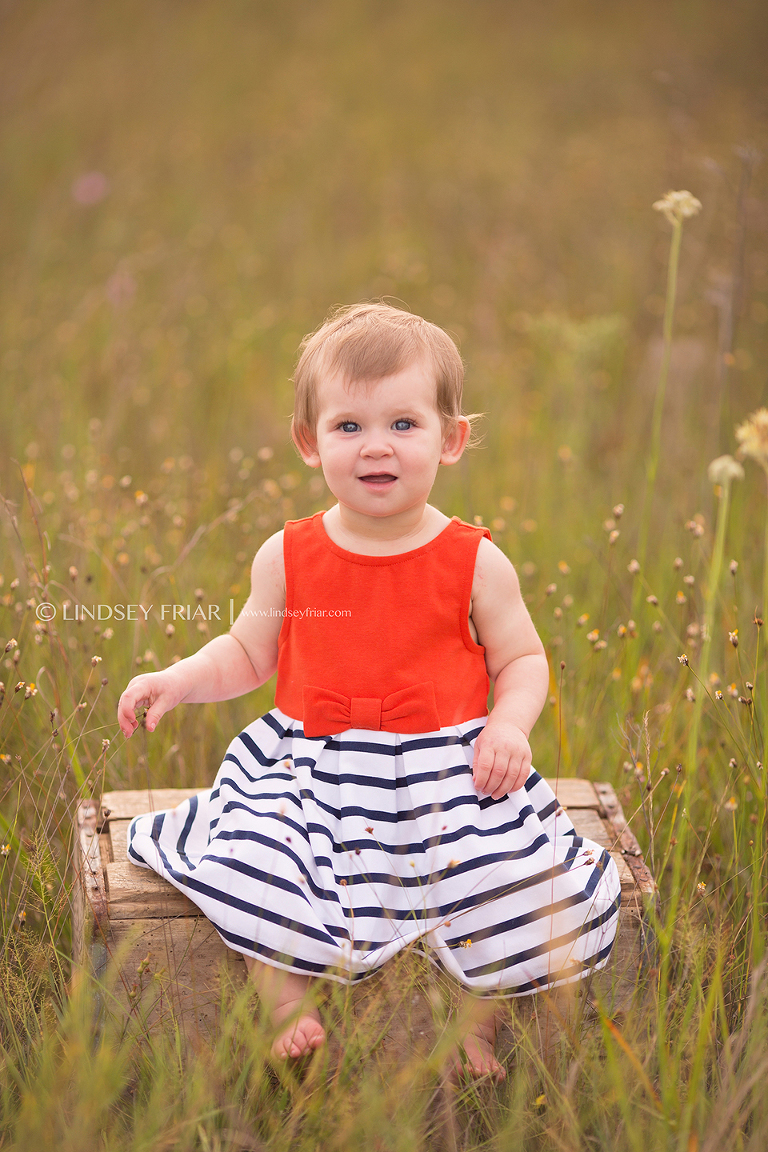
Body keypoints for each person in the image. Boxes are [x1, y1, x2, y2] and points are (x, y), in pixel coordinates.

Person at [117, 302, 620, 1080]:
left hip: (447, 771)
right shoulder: (288, 554)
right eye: (348, 426)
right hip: (314, 769)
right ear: (309, 443)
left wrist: (509, 728)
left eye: (403, 425)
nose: (375, 446)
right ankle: (286, 1000)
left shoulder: (473, 561)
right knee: (252, 854)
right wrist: (178, 679)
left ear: (449, 440)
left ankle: (472, 1025)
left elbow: (521, 659)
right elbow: (248, 651)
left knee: (519, 876)